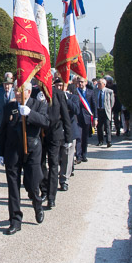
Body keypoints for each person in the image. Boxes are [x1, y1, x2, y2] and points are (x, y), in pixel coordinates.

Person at [0, 81, 49, 235]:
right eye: (16, 91)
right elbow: (3, 131)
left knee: (32, 185)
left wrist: (30, 114)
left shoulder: (38, 105)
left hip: (32, 150)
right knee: (13, 187)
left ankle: (37, 204)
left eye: (20, 91)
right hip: (12, 151)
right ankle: (15, 220)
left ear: (29, 91)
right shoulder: (9, 107)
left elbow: (46, 122)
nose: (16, 93)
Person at [41, 76, 72, 209]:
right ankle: (44, 191)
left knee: (53, 164)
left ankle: (51, 197)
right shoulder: (37, 94)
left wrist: (68, 138)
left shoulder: (58, 94)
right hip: (40, 134)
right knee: (40, 164)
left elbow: (65, 114)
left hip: (55, 133)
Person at [58, 77, 79, 191]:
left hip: (70, 131)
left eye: (62, 86)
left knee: (67, 157)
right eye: (57, 86)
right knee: (56, 158)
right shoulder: (53, 98)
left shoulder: (73, 97)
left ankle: (64, 180)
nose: (59, 88)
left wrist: (67, 99)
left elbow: (76, 110)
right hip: (56, 131)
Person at [73, 76, 96, 163]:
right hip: (77, 118)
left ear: (86, 82)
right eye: (79, 82)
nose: (80, 84)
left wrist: (95, 118)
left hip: (87, 118)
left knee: (85, 137)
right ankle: (78, 156)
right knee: (78, 137)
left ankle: (84, 155)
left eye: (82, 82)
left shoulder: (90, 92)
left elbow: (94, 105)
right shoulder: (75, 92)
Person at [94, 78, 115, 148]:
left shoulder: (109, 91)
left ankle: (109, 141)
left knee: (107, 126)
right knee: (99, 127)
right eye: (98, 83)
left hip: (105, 111)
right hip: (98, 111)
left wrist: (109, 108)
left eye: (100, 83)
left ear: (104, 84)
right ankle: (100, 141)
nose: (98, 85)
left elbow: (112, 102)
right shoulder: (95, 91)